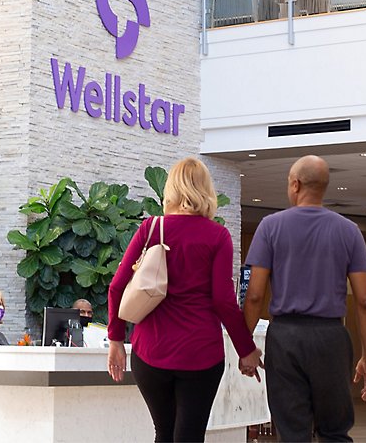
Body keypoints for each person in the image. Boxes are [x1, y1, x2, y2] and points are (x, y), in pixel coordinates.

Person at [107, 157, 263, 443]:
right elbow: (223, 301)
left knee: (163, 432)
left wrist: (116, 341)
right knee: (189, 436)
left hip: (150, 352)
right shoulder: (218, 236)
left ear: (171, 190)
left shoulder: (151, 229)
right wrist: (246, 350)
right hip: (200, 353)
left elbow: (117, 287)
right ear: (206, 191)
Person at [243, 155, 366, 442]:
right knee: (335, 431)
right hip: (331, 338)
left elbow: (254, 295)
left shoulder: (270, 227)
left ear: (295, 184)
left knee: (292, 432)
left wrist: (246, 347)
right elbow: (365, 301)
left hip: (285, 338)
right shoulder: (349, 231)